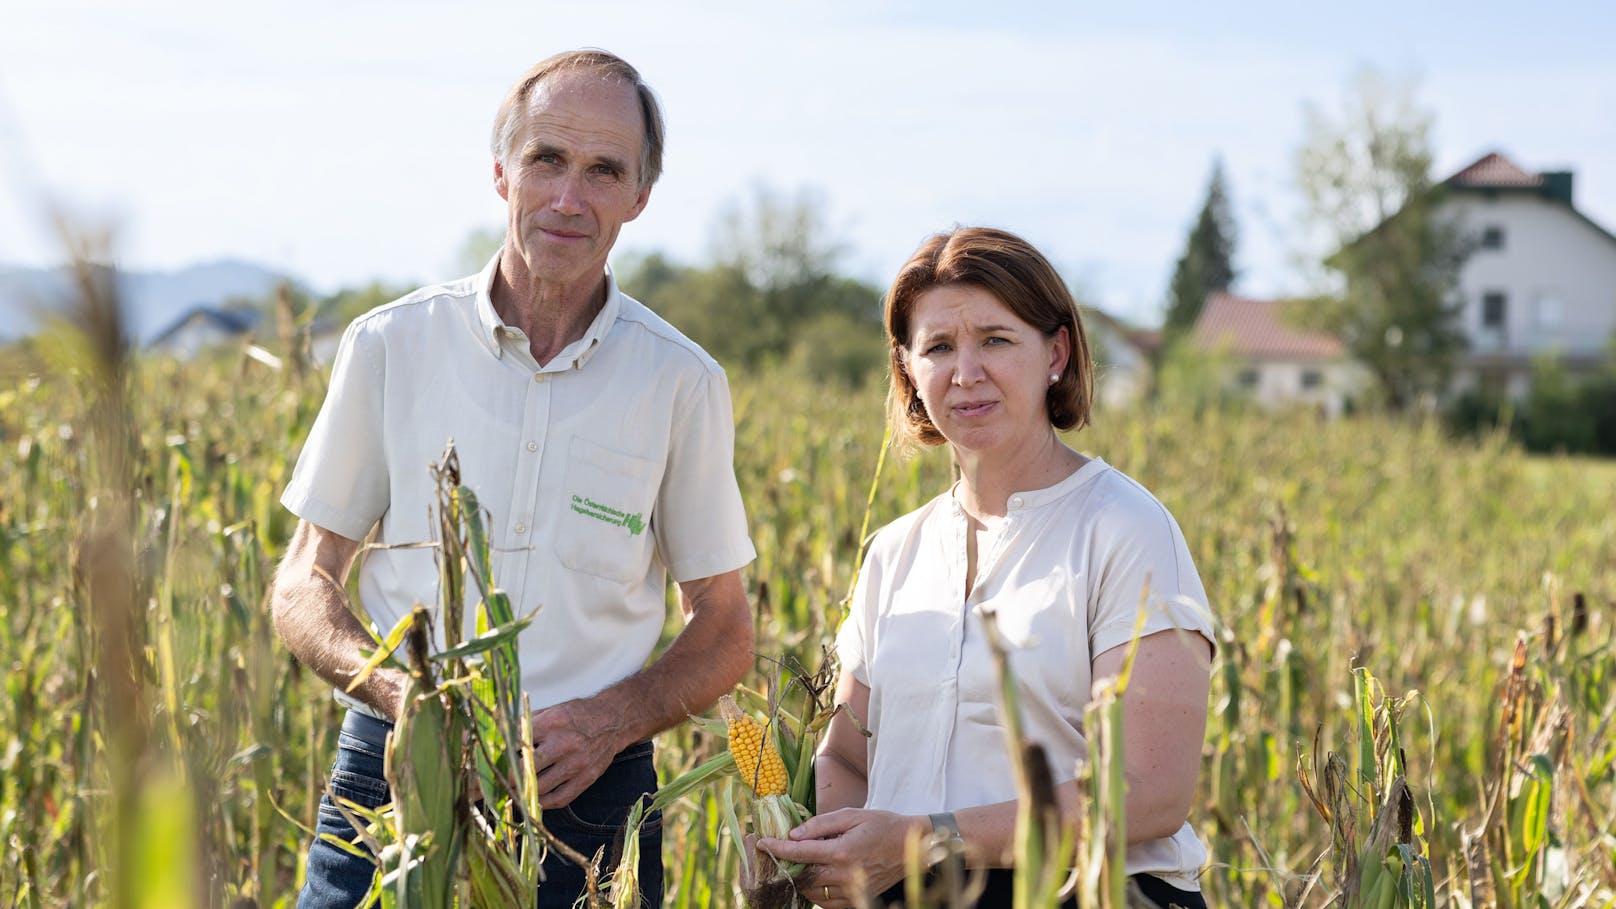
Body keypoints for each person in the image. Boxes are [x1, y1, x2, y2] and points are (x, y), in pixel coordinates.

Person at [270, 50, 757, 909]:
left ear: (640, 196)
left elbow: (723, 628)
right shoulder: (390, 346)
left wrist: (611, 722)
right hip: (390, 767)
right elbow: (303, 583)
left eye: (605, 170)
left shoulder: (682, 382)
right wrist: (401, 698)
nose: (571, 197)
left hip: (593, 790)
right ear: (501, 172)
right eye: (547, 159)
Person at [759, 227, 1215, 908]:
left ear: (1056, 352)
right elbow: (848, 759)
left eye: (995, 340)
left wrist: (924, 839)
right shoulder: (894, 552)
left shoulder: (1125, 528)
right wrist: (836, 856)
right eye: (938, 347)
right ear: (908, 370)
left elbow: (1148, 791)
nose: (965, 372)